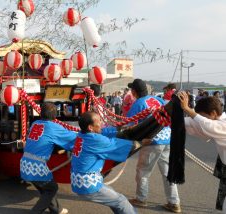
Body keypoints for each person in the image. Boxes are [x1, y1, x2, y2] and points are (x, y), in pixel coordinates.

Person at [71, 111, 145, 214]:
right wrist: (140, 143)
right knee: (121, 201)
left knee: (114, 200)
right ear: (90, 127)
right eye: (99, 121)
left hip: (78, 182)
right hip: (89, 184)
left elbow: (103, 131)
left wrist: (121, 128)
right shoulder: (96, 140)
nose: (101, 123)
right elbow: (116, 144)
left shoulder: (81, 135)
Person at [127, 79, 181, 213]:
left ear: (134, 91)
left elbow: (129, 124)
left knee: (143, 171)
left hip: (151, 140)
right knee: (168, 172)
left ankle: (141, 198)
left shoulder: (138, 103)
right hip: (167, 138)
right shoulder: (158, 100)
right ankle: (174, 203)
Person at [20, 102, 77, 214]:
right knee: (52, 188)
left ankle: (56, 209)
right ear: (55, 115)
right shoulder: (54, 127)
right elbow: (73, 139)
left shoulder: (35, 123)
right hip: (36, 166)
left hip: (24, 163)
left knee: (45, 188)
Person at [177, 92, 226, 212]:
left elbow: (206, 125)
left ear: (213, 113)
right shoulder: (215, 121)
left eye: (203, 116)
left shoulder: (222, 124)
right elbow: (195, 122)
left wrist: (187, 109)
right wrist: (171, 119)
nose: (201, 119)